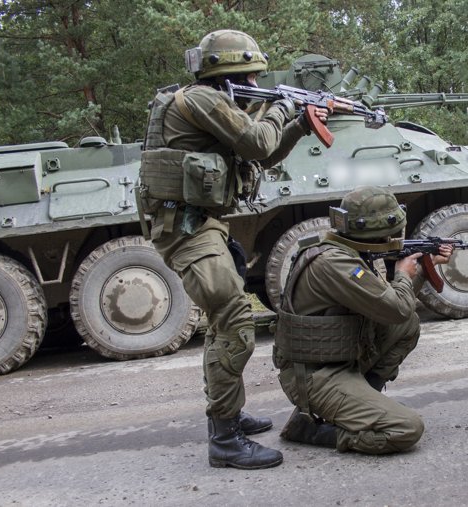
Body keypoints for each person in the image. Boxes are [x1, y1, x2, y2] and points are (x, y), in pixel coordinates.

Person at [138, 29, 328, 470]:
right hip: (186, 228)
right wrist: (283, 105)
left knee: (224, 320)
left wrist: (301, 122)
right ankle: (224, 438)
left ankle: (230, 413)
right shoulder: (202, 101)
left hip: (199, 223)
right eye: (251, 77)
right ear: (229, 74)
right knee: (235, 321)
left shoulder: (217, 104)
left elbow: (263, 156)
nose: (257, 86)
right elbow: (260, 140)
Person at [273, 186, 453, 454]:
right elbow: (395, 307)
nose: (394, 238)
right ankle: (312, 430)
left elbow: (391, 310)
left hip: (341, 360)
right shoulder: (336, 264)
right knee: (406, 428)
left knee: (407, 325)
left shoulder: (345, 252)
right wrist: (403, 274)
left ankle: (362, 400)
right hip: (315, 377)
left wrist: (423, 271)